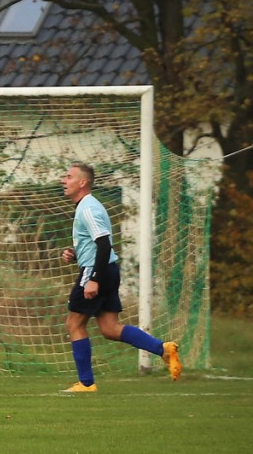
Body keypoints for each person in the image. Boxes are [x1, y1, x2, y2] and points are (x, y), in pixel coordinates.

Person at [59, 162, 182, 393]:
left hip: (98, 272)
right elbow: (97, 245)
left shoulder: (88, 208)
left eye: (68, 176)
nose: (63, 181)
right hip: (106, 270)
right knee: (110, 328)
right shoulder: (86, 207)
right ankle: (163, 349)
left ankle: (86, 383)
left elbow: (104, 244)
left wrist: (93, 277)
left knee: (74, 324)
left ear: (82, 182)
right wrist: (77, 253)